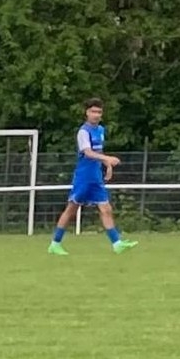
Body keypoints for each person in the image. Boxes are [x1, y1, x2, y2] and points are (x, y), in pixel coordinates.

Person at [48, 98, 138, 255]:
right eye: (93, 111)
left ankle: (117, 244)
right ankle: (55, 244)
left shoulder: (100, 130)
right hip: (84, 176)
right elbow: (88, 152)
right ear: (87, 113)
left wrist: (107, 165)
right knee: (71, 209)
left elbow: (98, 152)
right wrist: (108, 158)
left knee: (106, 208)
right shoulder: (83, 132)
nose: (96, 115)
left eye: (99, 112)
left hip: (96, 176)